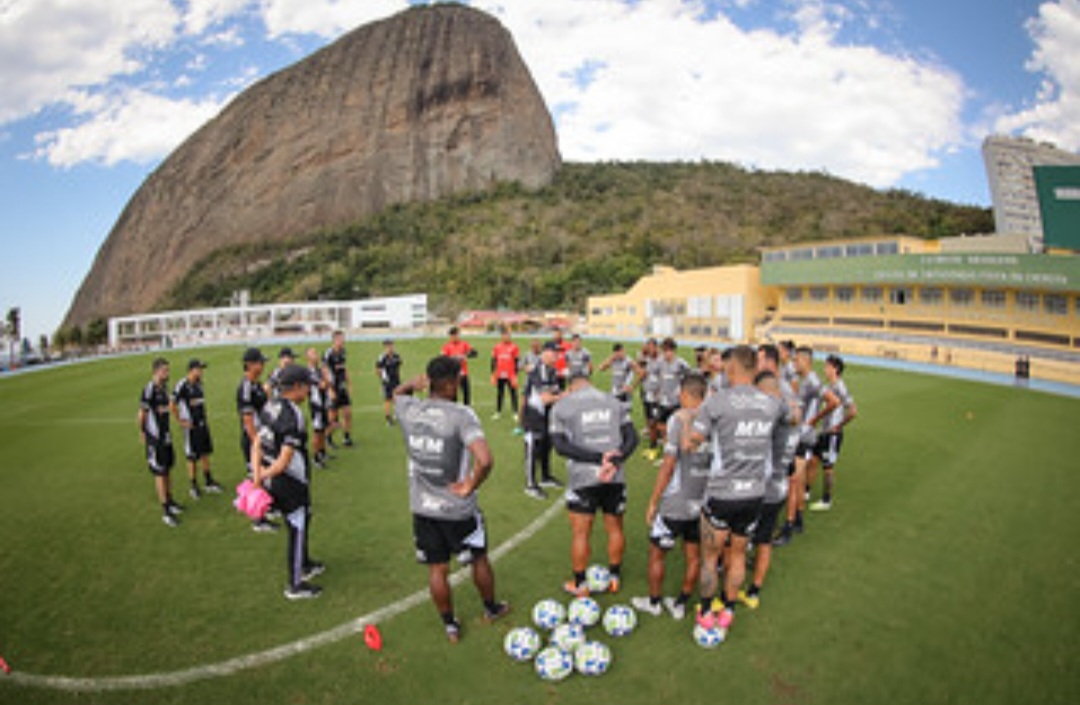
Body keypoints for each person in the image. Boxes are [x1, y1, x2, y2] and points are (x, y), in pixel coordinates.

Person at [393, 356, 510, 642]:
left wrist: (412, 383)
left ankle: (450, 626)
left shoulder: (410, 409)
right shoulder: (461, 415)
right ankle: (491, 608)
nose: (461, 382)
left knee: (437, 568)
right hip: (457, 509)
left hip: (423, 507)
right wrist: (470, 484)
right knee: (478, 559)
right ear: (449, 383)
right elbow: (485, 460)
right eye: (458, 378)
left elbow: (397, 393)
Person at [685, 345, 787, 639]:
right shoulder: (771, 403)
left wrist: (689, 424)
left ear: (730, 368)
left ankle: (705, 611)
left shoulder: (717, 402)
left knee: (710, 557)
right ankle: (728, 609)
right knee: (739, 554)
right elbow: (791, 418)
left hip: (722, 493)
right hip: (755, 494)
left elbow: (694, 440)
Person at [552, 367, 639, 597]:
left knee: (581, 533)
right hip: (615, 475)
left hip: (583, 477)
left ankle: (580, 585)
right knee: (615, 528)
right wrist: (617, 457)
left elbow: (560, 446)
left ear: (571, 386)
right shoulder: (613, 402)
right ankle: (614, 577)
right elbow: (633, 437)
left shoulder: (562, 406)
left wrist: (596, 458)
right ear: (589, 382)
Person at [632, 373, 709, 619]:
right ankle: (680, 604)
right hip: (702, 502)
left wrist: (654, 501)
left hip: (676, 502)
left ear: (685, 394)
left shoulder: (679, 419)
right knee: (693, 555)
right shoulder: (714, 420)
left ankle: (654, 603)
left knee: (657, 553)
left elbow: (668, 466)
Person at [251, 363, 325, 600]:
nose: (309, 392)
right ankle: (295, 584)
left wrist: (258, 476)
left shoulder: (269, 406)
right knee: (297, 526)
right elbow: (284, 460)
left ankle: (304, 563)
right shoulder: (293, 414)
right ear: (296, 387)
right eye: (307, 387)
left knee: (304, 518)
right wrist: (262, 476)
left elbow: (257, 444)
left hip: (275, 477)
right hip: (290, 481)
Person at [739, 368, 800, 610]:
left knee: (741, 540)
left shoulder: (774, 417)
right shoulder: (791, 416)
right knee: (764, 539)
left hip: (762, 491)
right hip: (780, 488)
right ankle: (754, 592)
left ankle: (733, 591)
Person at [774, 346, 838, 546]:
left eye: (796, 360)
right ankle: (798, 518)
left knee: (793, 481)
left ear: (805, 361)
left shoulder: (812, 380)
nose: (794, 364)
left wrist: (812, 420)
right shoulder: (806, 380)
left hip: (803, 437)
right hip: (802, 435)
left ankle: (789, 526)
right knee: (798, 480)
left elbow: (833, 401)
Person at [808, 355, 857, 512]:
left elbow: (853, 411)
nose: (825, 370)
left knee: (828, 466)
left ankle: (826, 500)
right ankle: (807, 491)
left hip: (832, 434)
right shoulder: (830, 385)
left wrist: (839, 426)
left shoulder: (840, 387)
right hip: (823, 431)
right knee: (813, 460)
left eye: (827, 367)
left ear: (835, 369)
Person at [237, 347, 279, 533]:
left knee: (265, 473)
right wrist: (256, 442)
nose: (262, 366)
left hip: (263, 437)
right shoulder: (245, 387)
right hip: (254, 439)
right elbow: (247, 419)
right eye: (260, 362)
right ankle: (257, 519)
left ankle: (266, 507)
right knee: (257, 476)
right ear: (250, 365)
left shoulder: (255, 384)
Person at [139, 357, 182, 526]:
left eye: (167, 370)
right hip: (155, 438)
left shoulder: (164, 389)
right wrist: (143, 432)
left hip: (166, 436)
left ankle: (170, 502)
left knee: (168, 468)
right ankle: (165, 511)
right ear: (156, 371)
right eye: (165, 370)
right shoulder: (149, 390)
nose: (167, 373)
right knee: (159, 471)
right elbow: (142, 414)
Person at [171, 358, 221, 500]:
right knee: (192, 456)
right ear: (191, 370)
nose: (201, 372)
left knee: (205, 452)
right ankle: (193, 486)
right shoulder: (182, 385)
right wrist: (180, 420)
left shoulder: (199, 385)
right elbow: (172, 403)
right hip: (190, 426)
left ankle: (208, 480)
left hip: (202, 423)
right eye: (199, 369)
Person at [521, 342, 565, 499]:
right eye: (554, 353)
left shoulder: (552, 371)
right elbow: (546, 398)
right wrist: (564, 396)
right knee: (533, 448)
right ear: (546, 353)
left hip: (546, 415)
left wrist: (561, 395)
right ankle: (530, 484)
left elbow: (555, 392)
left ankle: (545, 477)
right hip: (533, 415)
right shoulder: (537, 371)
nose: (557, 356)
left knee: (547, 445)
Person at [645, 338, 690, 463]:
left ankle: (678, 455)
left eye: (669, 351)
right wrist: (654, 392)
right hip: (662, 402)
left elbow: (689, 378)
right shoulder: (660, 363)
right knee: (661, 427)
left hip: (675, 402)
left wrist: (682, 393)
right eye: (665, 351)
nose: (667, 354)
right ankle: (667, 454)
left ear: (674, 351)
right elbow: (654, 377)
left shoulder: (681, 364)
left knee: (675, 428)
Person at [324, 331, 354, 447]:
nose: (343, 341)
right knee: (333, 418)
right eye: (341, 339)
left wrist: (349, 383)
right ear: (335, 340)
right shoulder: (329, 353)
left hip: (342, 388)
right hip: (333, 388)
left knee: (347, 413)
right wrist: (330, 389)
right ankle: (327, 437)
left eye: (343, 339)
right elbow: (325, 371)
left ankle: (346, 437)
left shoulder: (343, 352)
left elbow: (343, 368)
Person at [305, 347, 332, 469]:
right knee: (317, 430)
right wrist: (326, 376)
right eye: (313, 354)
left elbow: (328, 383)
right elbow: (322, 385)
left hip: (323, 402)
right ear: (308, 357)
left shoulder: (318, 370)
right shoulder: (309, 373)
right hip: (316, 404)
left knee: (323, 428)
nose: (316, 356)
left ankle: (322, 452)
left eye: (316, 353)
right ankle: (315, 456)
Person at [441, 326, 477, 406]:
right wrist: (451, 359)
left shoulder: (464, 344)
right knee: (453, 394)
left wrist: (466, 355)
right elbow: (443, 359)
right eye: (453, 336)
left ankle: (467, 409)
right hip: (452, 374)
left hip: (463, 373)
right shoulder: (447, 346)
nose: (455, 337)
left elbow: (474, 353)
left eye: (456, 335)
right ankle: (454, 410)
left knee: (466, 393)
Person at [598, 343, 641, 408]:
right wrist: (610, 359)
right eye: (616, 353)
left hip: (624, 392)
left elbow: (641, 373)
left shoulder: (628, 361)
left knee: (624, 413)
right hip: (614, 391)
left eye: (620, 352)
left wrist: (632, 386)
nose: (619, 355)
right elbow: (601, 368)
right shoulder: (614, 360)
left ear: (623, 351)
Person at [490, 328, 520, 421]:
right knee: (500, 393)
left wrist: (515, 374)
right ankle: (498, 412)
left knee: (513, 393)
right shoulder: (497, 347)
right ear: (501, 336)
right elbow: (493, 360)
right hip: (499, 374)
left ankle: (515, 412)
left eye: (508, 335)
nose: (506, 337)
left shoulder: (514, 347)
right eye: (504, 335)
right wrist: (493, 373)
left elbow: (517, 361)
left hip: (510, 374)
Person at [375, 339, 403, 426]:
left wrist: (398, 376)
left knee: (397, 398)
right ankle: (388, 418)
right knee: (388, 399)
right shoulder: (382, 358)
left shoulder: (397, 356)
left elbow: (399, 366)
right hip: (387, 382)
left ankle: (396, 414)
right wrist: (383, 377)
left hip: (396, 380)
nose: (390, 348)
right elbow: (377, 370)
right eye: (387, 346)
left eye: (391, 346)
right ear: (384, 347)